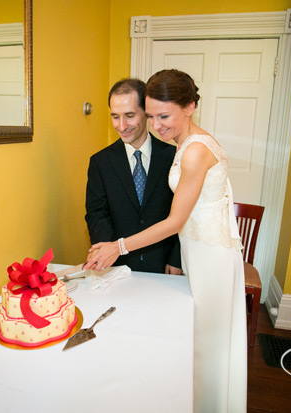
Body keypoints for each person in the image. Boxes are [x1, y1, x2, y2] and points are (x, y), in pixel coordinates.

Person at [85, 69, 247, 412]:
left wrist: (119, 246)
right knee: (200, 340)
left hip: (206, 257)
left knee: (207, 342)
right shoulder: (185, 144)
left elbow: (175, 220)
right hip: (199, 251)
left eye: (163, 116)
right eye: (153, 115)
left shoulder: (191, 150)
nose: (156, 124)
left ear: (189, 107)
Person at [85, 78, 181, 274]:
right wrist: (105, 253)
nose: (121, 126)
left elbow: (184, 215)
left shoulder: (173, 157)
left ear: (146, 113)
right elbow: (97, 214)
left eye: (129, 115)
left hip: (164, 264)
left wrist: (176, 258)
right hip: (118, 265)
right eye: (115, 116)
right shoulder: (100, 162)